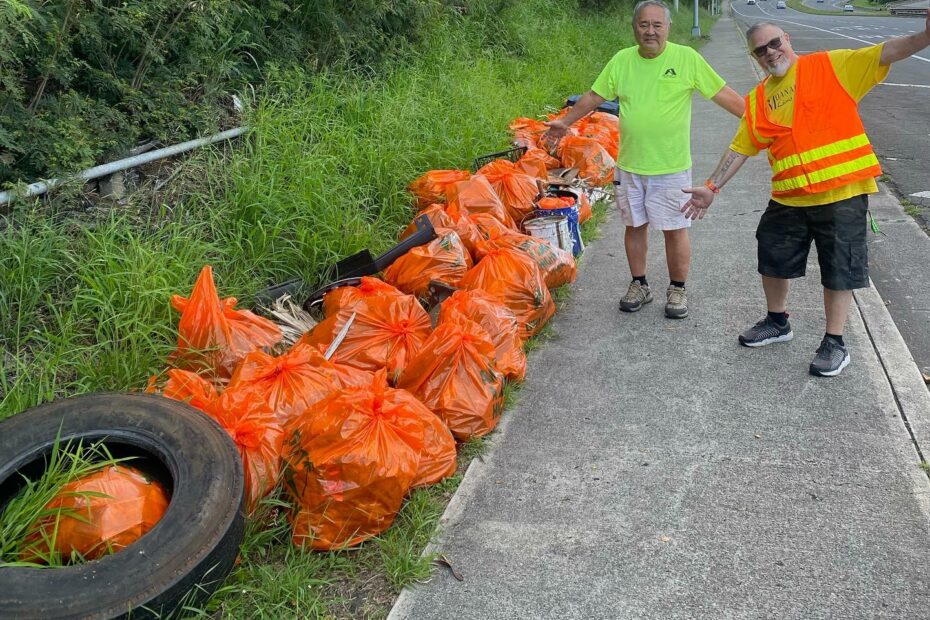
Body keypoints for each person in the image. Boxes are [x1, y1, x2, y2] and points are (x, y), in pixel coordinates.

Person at [681, 17, 930, 376]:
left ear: (787, 39)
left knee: (838, 269)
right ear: (755, 57)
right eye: (761, 50)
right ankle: (778, 321)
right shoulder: (758, 100)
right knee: (771, 255)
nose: (770, 53)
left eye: (774, 43)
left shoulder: (831, 65)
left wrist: (924, 36)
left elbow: (886, 52)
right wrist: (712, 186)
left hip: (841, 194)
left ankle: (835, 342)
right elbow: (740, 148)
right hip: (789, 197)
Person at [542, 0, 744, 319]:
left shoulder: (686, 58)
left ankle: (677, 288)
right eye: (643, 25)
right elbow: (595, 97)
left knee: (675, 230)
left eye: (656, 25)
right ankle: (640, 284)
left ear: (668, 28)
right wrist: (565, 122)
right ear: (634, 28)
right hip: (630, 166)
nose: (650, 31)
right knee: (634, 226)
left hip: (671, 167)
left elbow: (722, 93)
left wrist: (757, 121)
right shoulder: (622, 60)